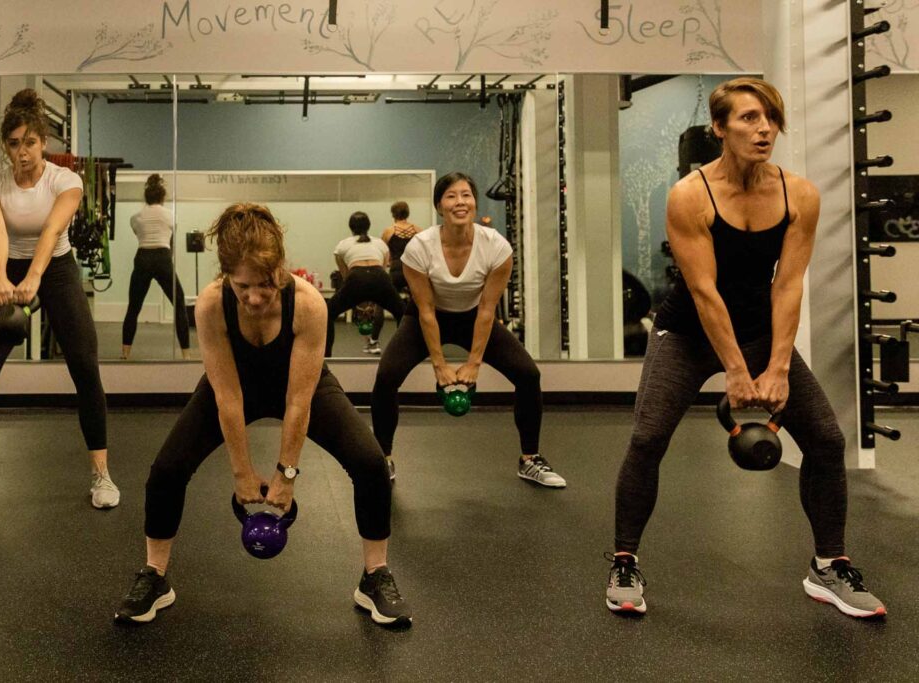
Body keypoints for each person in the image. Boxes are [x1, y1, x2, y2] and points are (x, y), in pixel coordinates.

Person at [606, 77, 885, 618]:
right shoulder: (691, 194)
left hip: (759, 331)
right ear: (719, 128)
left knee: (826, 440)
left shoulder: (798, 193)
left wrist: (777, 365)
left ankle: (828, 566)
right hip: (686, 333)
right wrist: (735, 371)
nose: (764, 129)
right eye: (749, 119)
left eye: (771, 119)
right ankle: (624, 560)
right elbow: (704, 292)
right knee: (647, 438)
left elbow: (788, 283)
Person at [114, 203, 411, 627]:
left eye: (265, 284)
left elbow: (298, 401)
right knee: (166, 469)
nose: (254, 297)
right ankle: (155, 576)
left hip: (300, 383)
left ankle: (375, 576)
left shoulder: (308, 304)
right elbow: (228, 397)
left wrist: (286, 475)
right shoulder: (212, 305)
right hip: (237, 383)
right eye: (242, 286)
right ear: (225, 276)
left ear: (281, 269)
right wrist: (241, 473)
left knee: (369, 462)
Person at [0, 89, 118, 513]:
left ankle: (101, 474)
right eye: (13, 143)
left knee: (85, 369)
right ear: (5, 146)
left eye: (29, 142)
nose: (22, 152)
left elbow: (50, 232)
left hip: (60, 270)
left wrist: (34, 277)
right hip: (9, 267)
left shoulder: (66, 180)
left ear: (43, 142)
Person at [370, 172, 565, 487]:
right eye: (451, 196)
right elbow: (426, 310)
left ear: (474, 202)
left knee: (528, 375)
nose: (459, 202)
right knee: (386, 376)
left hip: (475, 315)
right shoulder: (420, 247)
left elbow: (488, 309)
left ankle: (530, 459)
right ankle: (382, 459)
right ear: (439, 206)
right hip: (426, 316)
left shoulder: (496, 247)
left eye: (465, 195)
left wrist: (474, 363)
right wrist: (439, 364)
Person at [121, 174, 191, 360]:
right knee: (179, 304)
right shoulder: (171, 215)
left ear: (146, 196)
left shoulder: (135, 217)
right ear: (162, 196)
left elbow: (137, 233)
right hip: (162, 257)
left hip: (143, 257)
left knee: (133, 307)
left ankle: (125, 353)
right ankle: (186, 354)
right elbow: (171, 240)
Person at [326, 211, 404, 356]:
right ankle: (402, 354)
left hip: (356, 277)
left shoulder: (342, 245)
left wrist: (356, 298)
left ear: (351, 227)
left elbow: (345, 275)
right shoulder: (380, 243)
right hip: (379, 276)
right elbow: (383, 268)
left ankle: (326, 355)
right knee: (402, 313)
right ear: (368, 226)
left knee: (327, 313)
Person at [381, 201, 421, 292]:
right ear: (407, 213)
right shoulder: (418, 230)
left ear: (393, 214)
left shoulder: (389, 231)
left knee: (393, 299)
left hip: (397, 268)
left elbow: (383, 251)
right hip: (414, 268)